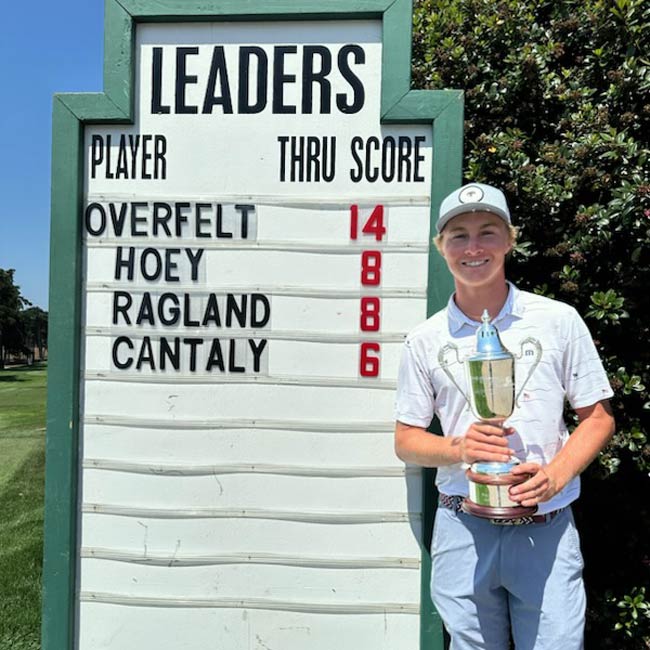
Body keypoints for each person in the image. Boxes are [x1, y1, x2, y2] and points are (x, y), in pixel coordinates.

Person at [394, 182, 615, 649]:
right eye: (458, 235)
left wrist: (555, 475)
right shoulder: (424, 339)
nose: (473, 248)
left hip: (545, 525)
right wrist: (458, 448)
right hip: (462, 524)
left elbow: (598, 418)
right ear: (441, 247)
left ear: (510, 239)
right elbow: (406, 439)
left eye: (487, 232)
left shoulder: (559, 320)